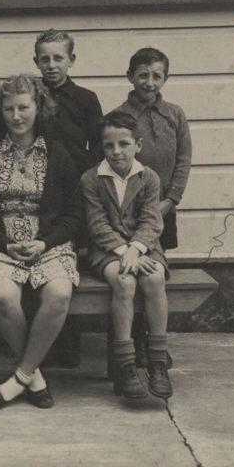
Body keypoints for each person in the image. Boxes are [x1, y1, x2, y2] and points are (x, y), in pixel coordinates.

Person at [0, 74, 82, 411]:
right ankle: (35, 377)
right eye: (9, 108)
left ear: (38, 108)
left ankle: (18, 379)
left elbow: (74, 213)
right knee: (3, 295)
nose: (16, 116)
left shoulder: (58, 154)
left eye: (24, 107)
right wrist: (4, 243)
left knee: (59, 293)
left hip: (47, 244)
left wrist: (45, 243)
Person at [80, 111, 172, 399]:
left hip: (145, 248)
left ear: (138, 145)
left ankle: (157, 362)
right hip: (106, 250)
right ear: (101, 147)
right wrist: (124, 252)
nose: (116, 151)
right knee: (124, 281)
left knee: (154, 278)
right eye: (109, 146)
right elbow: (97, 225)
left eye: (124, 144)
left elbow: (152, 221)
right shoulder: (92, 179)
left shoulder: (149, 177)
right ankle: (126, 364)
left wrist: (135, 250)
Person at [33, 28, 103, 368]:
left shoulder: (85, 99)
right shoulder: (31, 95)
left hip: (74, 191)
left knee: (69, 262)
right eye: (44, 59)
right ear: (36, 62)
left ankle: (69, 337)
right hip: (35, 190)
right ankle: (40, 340)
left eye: (58, 58)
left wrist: (81, 180)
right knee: (38, 257)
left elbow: (99, 144)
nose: (51, 65)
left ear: (71, 60)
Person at [116, 47, 191, 367]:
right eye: (143, 75)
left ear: (165, 79)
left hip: (164, 208)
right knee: (133, 271)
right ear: (130, 76)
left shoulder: (174, 114)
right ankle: (136, 341)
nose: (149, 82)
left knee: (156, 271)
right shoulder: (121, 116)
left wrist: (170, 200)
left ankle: (153, 335)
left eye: (156, 76)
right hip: (130, 211)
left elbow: (184, 159)